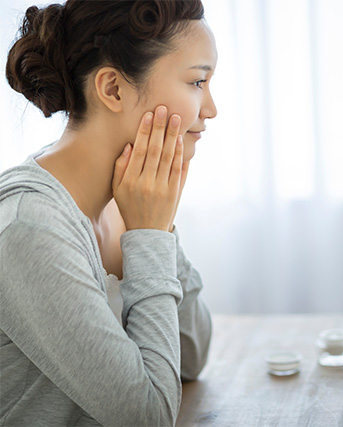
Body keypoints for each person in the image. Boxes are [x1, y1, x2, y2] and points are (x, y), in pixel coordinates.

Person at [0, 0, 216, 425]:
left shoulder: (126, 202)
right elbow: (148, 417)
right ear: (113, 88)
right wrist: (151, 237)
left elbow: (191, 354)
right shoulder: (30, 226)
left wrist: (160, 228)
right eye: (197, 82)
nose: (210, 110)